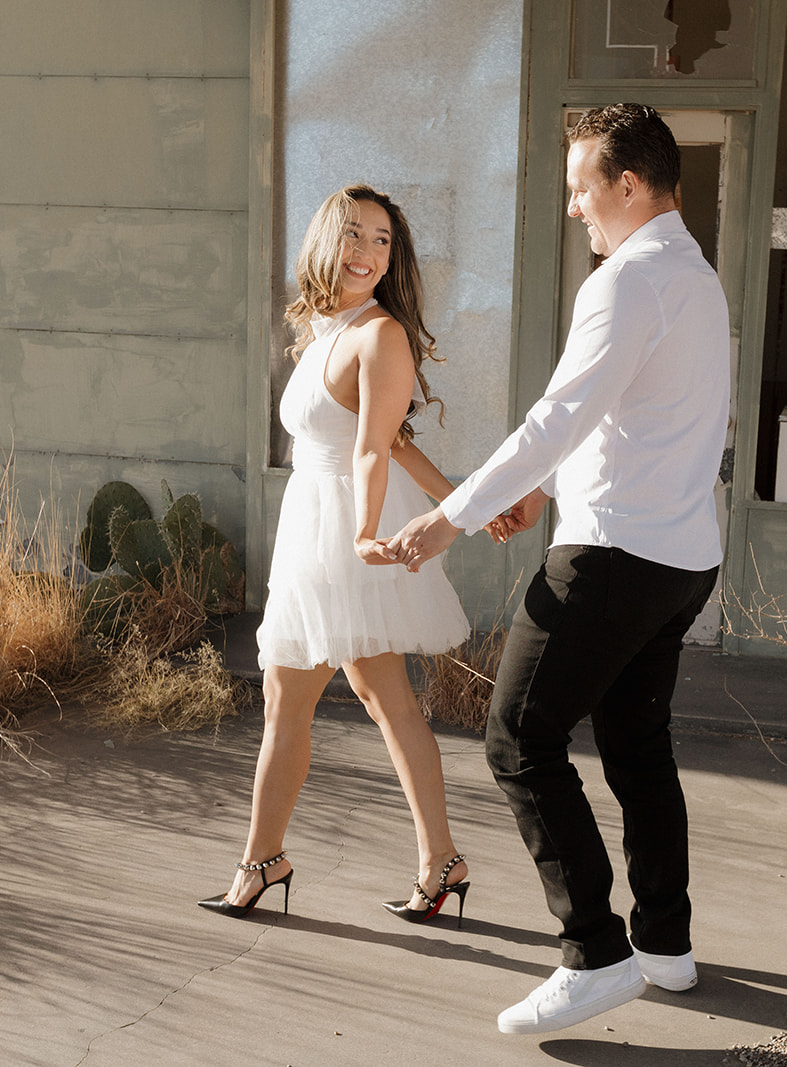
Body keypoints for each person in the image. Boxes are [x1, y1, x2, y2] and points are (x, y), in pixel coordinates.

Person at [387, 104, 731, 1033]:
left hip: (614, 556)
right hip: (680, 559)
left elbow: (558, 417)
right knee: (635, 747)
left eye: (582, 187)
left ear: (628, 184)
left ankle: (595, 952)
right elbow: (630, 420)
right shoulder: (697, 278)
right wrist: (541, 494)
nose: (575, 206)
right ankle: (665, 944)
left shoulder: (627, 283)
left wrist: (447, 517)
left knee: (517, 737)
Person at [199, 184, 478, 927]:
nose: (366, 251)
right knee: (383, 697)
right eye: (354, 235)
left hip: (346, 533)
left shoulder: (379, 334)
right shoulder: (329, 327)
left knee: (290, 699)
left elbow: (370, 452)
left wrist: (365, 531)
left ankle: (263, 861)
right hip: (317, 524)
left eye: (382, 240)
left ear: (394, 257)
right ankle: (440, 861)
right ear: (327, 241)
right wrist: (462, 502)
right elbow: (393, 438)